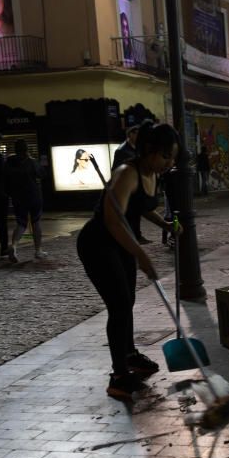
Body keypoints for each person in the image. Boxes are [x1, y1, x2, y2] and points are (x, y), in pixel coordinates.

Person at [76, 124, 180, 400]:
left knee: (127, 301)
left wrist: (166, 224)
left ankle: (130, 354)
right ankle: (119, 376)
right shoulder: (126, 174)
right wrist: (141, 254)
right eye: (166, 157)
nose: (170, 163)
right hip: (99, 243)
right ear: (149, 151)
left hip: (121, 243)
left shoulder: (152, 174)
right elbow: (113, 220)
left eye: (173, 158)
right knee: (119, 305)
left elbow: (143, 208)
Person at [4, 140, 46, 262]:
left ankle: (14, 245)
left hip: (18, 197)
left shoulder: (9, 163)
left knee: (21, 223)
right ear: (26, 149)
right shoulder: (32, 162)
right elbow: (42, 174)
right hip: (34, 195)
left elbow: (5, 179)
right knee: (36, 222)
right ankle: (38, 250)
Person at [113, 123, 148, 244]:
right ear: (131, 134)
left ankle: (137, 235)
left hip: (136, 184)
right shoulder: (122, 150)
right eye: (137, 134)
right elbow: (117, 169)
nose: (139, 137)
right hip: (127, 185)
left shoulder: (136, 148)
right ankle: (131, 236)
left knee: (136, 212)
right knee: (129, 213)